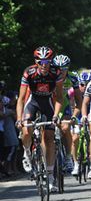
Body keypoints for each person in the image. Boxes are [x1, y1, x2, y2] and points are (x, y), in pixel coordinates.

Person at [16, 46, 63, 192]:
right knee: (26, 130)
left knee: (49, 138)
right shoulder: (29, 72)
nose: (44, 65)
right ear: (36, 62)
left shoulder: (56, 72)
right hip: (33, 102)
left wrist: (56, 115)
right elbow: (22, 99)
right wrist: (19, 118)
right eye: (41, 62)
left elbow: (60, 97)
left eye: (47, 61)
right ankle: (27, 153)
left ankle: (50, 177)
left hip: (48, 103)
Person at [52, 54, 83, 175]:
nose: (61, 71)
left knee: (65, 128)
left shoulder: (73, 78)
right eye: (59, 68)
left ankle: (68, 156)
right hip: (50, 105)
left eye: (64, 68)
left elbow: (79, 100)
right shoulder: (50, 78)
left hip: (64, 106)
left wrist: (75, 115)